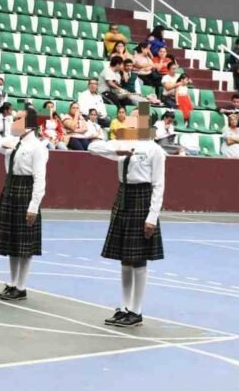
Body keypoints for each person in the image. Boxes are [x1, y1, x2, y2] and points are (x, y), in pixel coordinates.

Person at [88, 103, 166, 328]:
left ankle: (137, 310)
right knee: (124, 257)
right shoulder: (124, 143)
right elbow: (93, 147)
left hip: (142, 198)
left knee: (138, 258)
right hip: (124, 198)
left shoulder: (155, 150)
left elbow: (159, 186)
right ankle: (124, 307)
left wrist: (152, 217)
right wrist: (116, 151)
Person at [0, 108, 48, 302]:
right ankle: (12, 283)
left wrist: (33, 206)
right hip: (10, 190)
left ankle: (21, 286)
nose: (14, 121)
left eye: (18, 119)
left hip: (25, 191)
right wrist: (4, 143)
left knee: (24, 243)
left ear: (29, 124)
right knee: (12, 241)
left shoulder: (38, 147)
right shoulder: (13, 143)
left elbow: (40, 180)